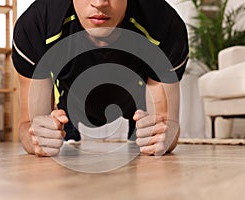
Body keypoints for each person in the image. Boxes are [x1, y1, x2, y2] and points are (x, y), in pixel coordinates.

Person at [12, 0, 189, 157]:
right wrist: (39, 136)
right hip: (69, 104)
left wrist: (160, 137)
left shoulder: (164, 24)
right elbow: (29, 126)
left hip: (137, 102)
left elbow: (167, 125)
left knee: (151, 142)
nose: (100, 3)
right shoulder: (37, 24)